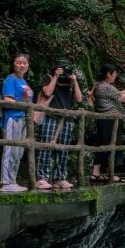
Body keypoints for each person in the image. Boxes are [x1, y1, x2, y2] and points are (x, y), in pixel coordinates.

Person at [35, 59, 83, 190]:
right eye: (60, 69)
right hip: (51, 117)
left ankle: (60, 178)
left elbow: (79, 99)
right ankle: (42, 178)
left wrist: (74, 80)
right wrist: (55, 77)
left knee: (63, 149)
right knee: (46, 147)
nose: (63, 72)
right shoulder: (48, 78)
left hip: (66, 119)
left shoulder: (70, 81)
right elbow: (47, 92)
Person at [90, 63, 125, 182]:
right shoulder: (106, 87)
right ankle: (106, 173)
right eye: (114, 74)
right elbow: (124, 98)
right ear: (108, 74)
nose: (115, 76)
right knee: (109, 145)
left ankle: (102, 172)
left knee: (104, 144)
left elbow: (119, 93)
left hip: (105, 120)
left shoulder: (100, 86)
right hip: (110, 120)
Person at [0, 53, 33, 193]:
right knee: (9, 150)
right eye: (19, 62)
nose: (22, 65)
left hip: (23, 118)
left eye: (24, 63)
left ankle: (12, 181)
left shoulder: (24, 82)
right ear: (13, 64)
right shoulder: (10, 80)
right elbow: (8, 99)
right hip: (12, 118)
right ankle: (6, 182)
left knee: (18, 152)